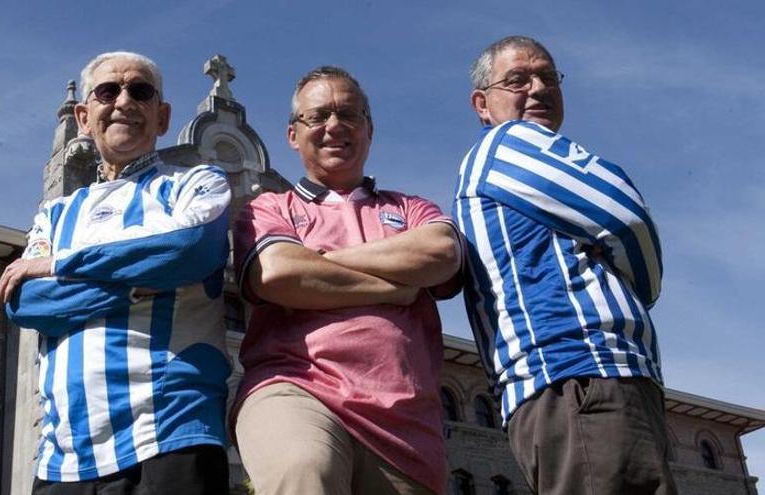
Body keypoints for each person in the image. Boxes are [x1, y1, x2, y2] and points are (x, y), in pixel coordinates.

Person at [0, 51, 231, 494]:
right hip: (63, 455)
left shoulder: (196, 184)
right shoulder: (55, 214)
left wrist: (60, 265)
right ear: (85, 116)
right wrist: (145, 286)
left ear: (162, 118)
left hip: (171, 434)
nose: (124, 101)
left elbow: (188, 248)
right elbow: (26, 301)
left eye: (140, 91)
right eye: (108, 91)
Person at [453, 36, 676, 494]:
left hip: (578, 388)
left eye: (548, 77)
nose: (536, 89)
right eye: (516, 80)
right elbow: (626, 216)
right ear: (482, 103)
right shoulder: (509, 143)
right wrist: (641, 291)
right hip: (583, 376)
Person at [231, 66, 462, 495]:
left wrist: (319, 263)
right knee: (304, 468)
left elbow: (442, 254)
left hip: (404, 422)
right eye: (317, 116)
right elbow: (278, 273)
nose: (334, 125)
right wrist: (395, 286)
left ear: (368, 129)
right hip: (295, 385)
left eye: (348, 114)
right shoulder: (267, 208)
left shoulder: (412, 208)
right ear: (292, 135)